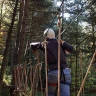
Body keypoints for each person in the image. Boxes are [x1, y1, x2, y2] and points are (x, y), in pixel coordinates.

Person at [30, 28, 73, 96]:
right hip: (65, 72)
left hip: (54, 73)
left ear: (46, 36)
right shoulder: (60, 43)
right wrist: (64, 43)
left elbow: (32, 44)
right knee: (65, 94)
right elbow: (71, 49)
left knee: (50, 93)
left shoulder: (45, 44)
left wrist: (40, 44)